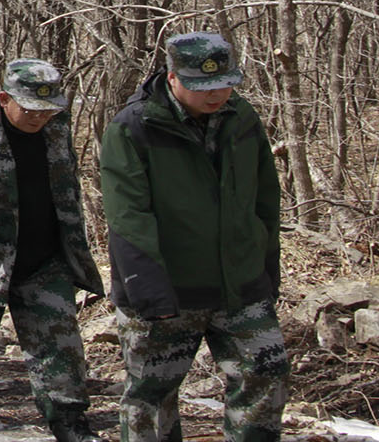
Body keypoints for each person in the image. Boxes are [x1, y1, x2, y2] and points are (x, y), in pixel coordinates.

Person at [101, 33, 287, 442]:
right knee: (152, 396)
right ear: (172, 78)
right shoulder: (133, 127)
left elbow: (265, 198)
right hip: (165, 291)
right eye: (203, 86)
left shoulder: (243, 118)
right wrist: (149, 291)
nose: (217, 94)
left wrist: (267, 266)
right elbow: (127, 215)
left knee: (265, 373)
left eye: (225, 83)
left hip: (239, 284)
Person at [0, 60, 107, 442]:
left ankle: (70, 423)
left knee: (60, 344)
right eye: (30, 108)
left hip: (44, 260)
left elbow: (67, 193)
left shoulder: (56, 131)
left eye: (47, 109)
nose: (39, 117)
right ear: (4, 99)